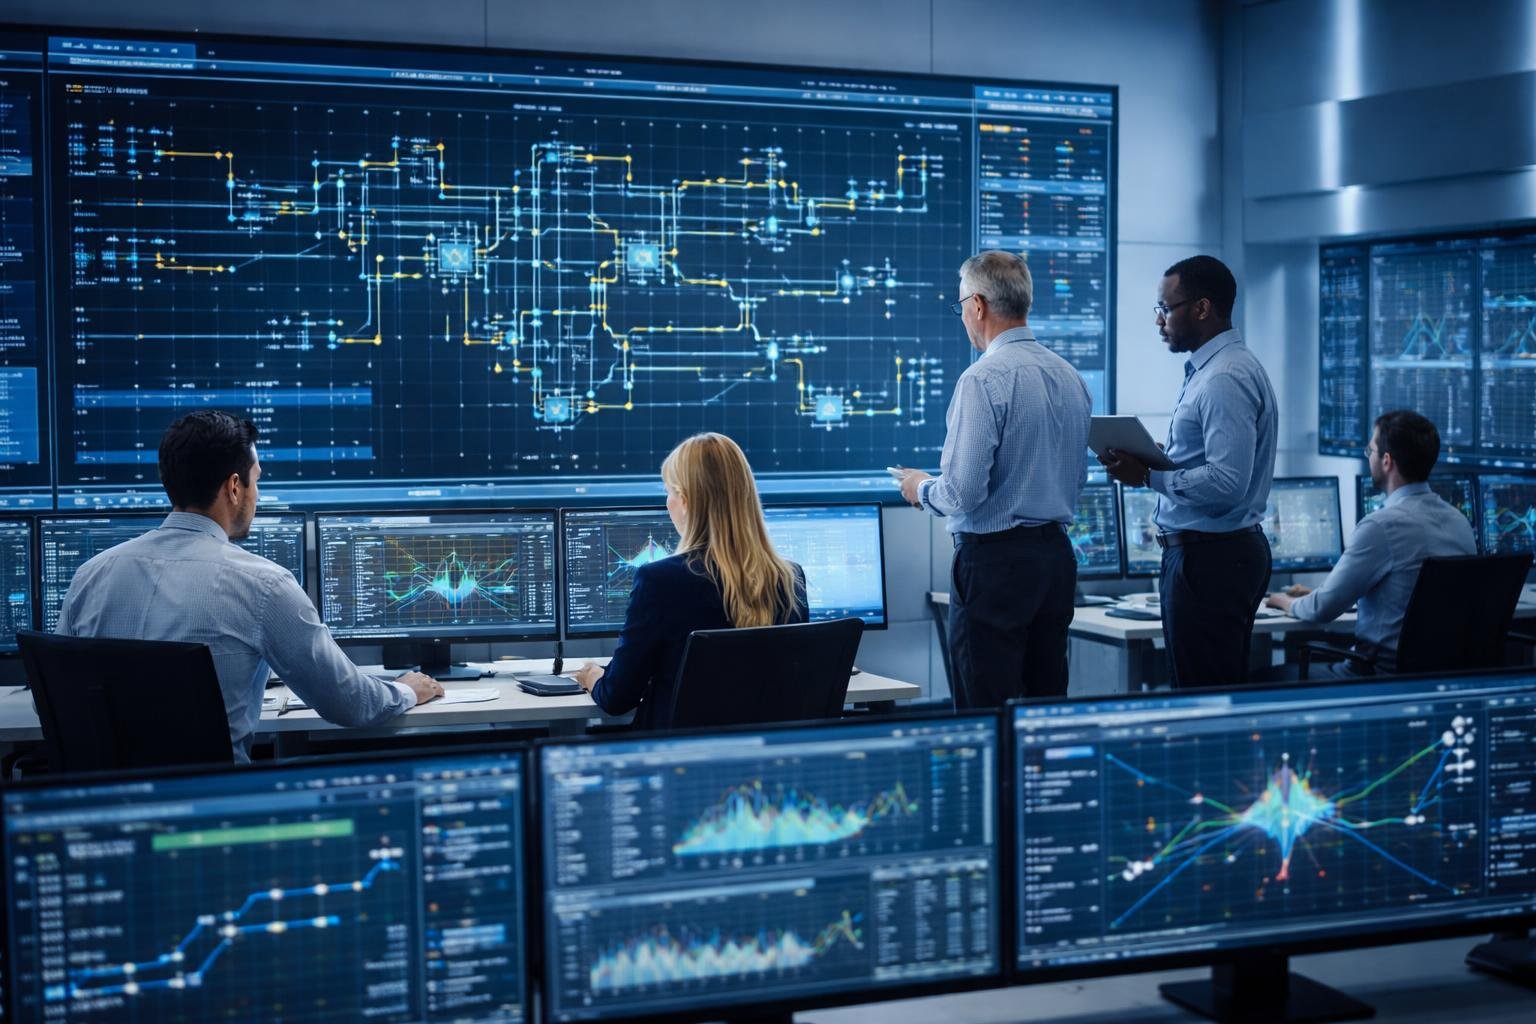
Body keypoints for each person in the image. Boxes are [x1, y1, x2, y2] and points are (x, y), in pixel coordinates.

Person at [56, 410, 441, 760]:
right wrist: (406, 689)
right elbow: (350, 703)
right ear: (234, 487)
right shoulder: (263, 585)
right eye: (257, 481)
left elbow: (58, 705)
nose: (257, 495)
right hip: (215, 818)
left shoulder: (91, 574)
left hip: (103, 811)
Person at [894, 250, 1091, 708]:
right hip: (1056, 560)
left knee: (985, 710)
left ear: (978, 305)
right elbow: (1077, 478)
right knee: (1044, 706)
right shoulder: (1071, 377)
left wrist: (920, 489)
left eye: (961, 303)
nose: (962, 313)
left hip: (995, 566)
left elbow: (962, 492)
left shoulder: (982, 380)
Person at [1101, 255, 1277, 688]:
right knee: (1205, 685)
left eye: (1166, 308)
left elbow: (1226, 483)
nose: (1159, 320)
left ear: (1201, 308)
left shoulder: (1223, 378)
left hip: (1211, 559)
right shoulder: (1220, 369)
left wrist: (1148, 476)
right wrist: (1162, 458)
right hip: (1214, 556)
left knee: (1201, 695)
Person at [574, 433, 807, 728]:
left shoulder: (660, 580)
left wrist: (593, 677)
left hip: (677, 760)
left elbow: (618, 698)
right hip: (763, 759)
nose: (667, 501)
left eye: (669, 491)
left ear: (685, 501)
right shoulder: (788, 578)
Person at [1265, 411, 1475, 674]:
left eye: (1371, 450)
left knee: (1266, 677)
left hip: (1375, 675)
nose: (1369, 457)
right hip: (1440, 677)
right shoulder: (1460, 523)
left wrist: (1283, 600)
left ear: (1386, 461)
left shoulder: (1381, 526)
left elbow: (1322, 610)